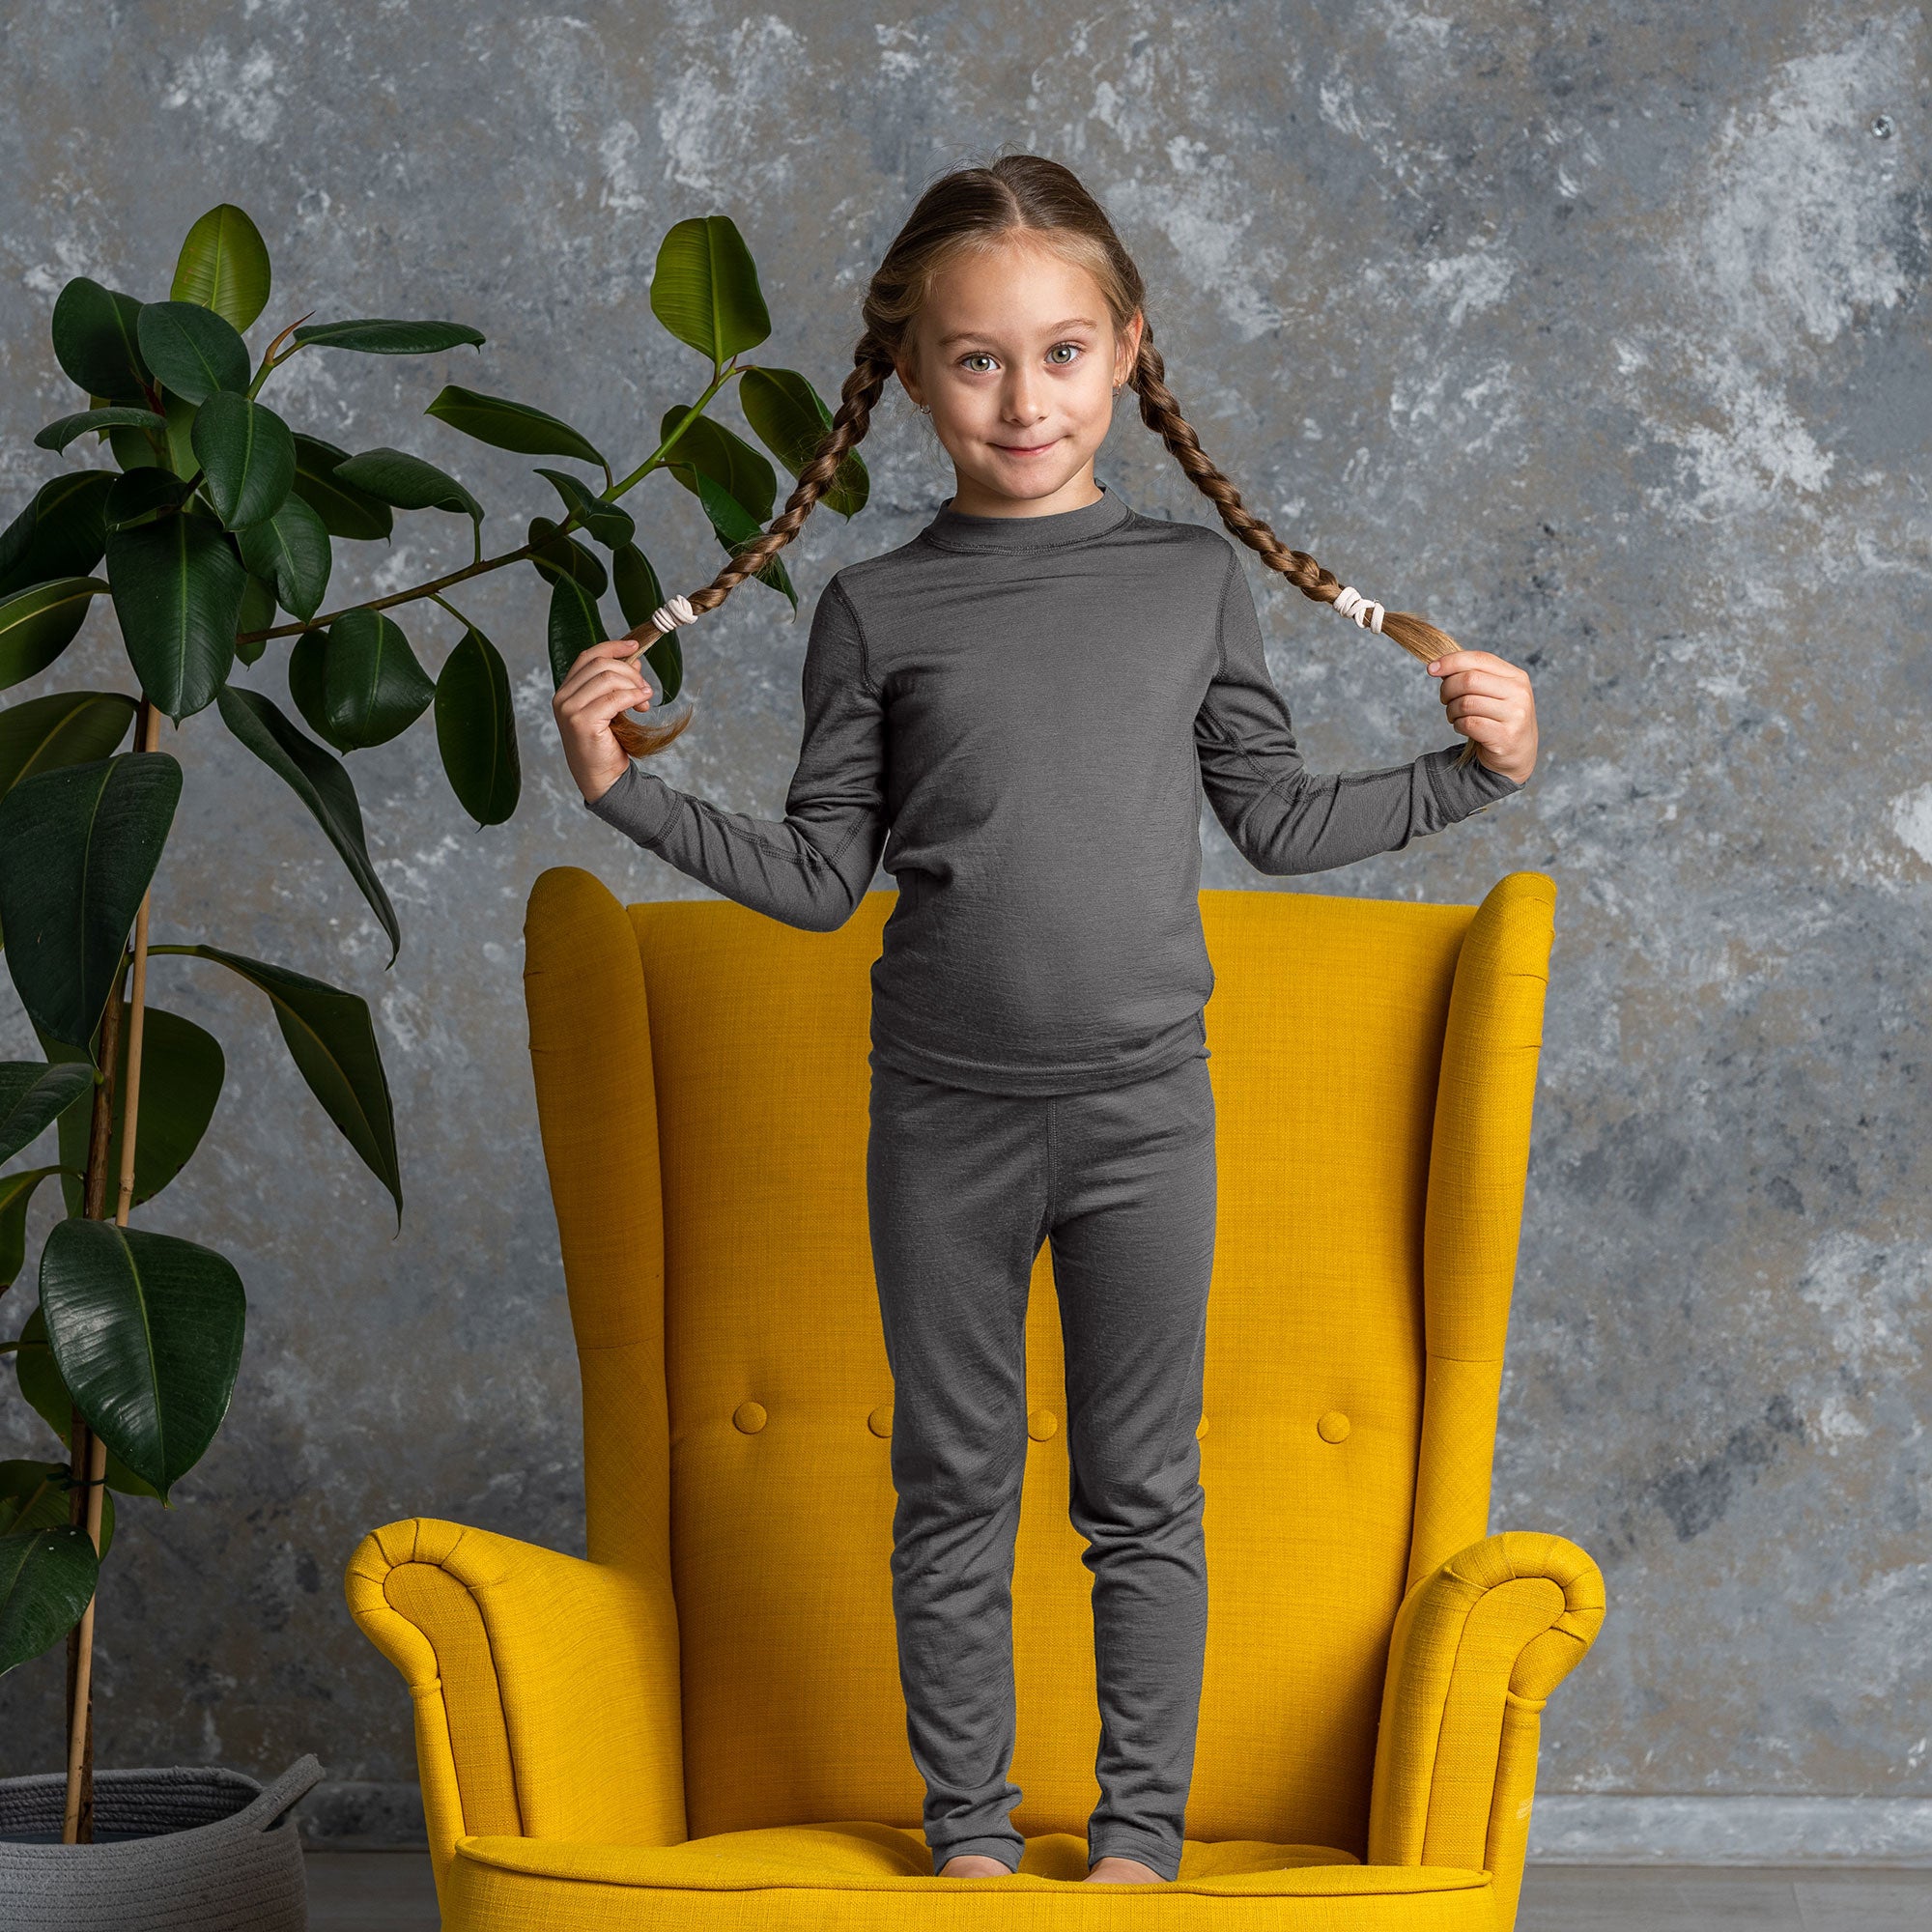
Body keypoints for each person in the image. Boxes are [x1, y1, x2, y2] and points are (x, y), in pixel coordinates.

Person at [553, 152, 1538, 1888]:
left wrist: (1481, 767)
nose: (1025, 397)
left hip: (1149, 1112)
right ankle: (973, 1848)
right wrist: (620, 790)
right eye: (980, 360)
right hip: (941, 1115)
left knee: (1141, 1497)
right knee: (952, 1492)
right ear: (915, 375)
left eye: (1064, 352)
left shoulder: (1184, 586)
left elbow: (1281, 823)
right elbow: (809, 877)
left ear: (1128, 353)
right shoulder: (879, 609)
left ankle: (1140, 1848)